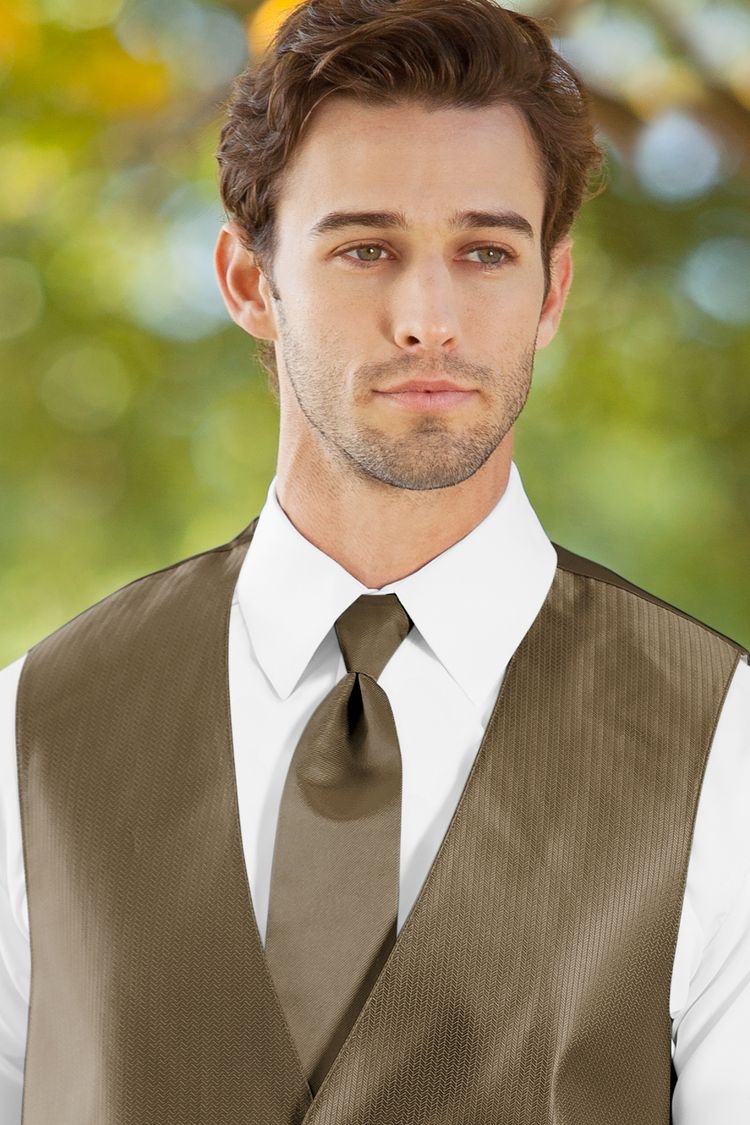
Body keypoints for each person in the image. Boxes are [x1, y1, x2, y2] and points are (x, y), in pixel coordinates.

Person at [0, 0, 748, 1121]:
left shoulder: (727, 747)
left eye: (486, 251)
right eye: (366, 247)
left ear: (551, 292)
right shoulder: (33, 731)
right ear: (251, 283)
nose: (427, 316)